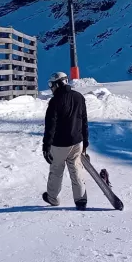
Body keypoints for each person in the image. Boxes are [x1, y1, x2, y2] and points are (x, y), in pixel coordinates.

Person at [42, 71, 89, 209]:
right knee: (76, 169)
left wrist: (46, 146)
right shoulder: (79, 97)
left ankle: (53, 198)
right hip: (77, 142)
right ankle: (81, 200)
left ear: (58, 83)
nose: (51, 88)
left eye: (52, 84)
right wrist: (85, 142)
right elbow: (84, 121)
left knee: (56, 171)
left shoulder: (55, 101)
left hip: (59, 144)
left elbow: (51, 125)